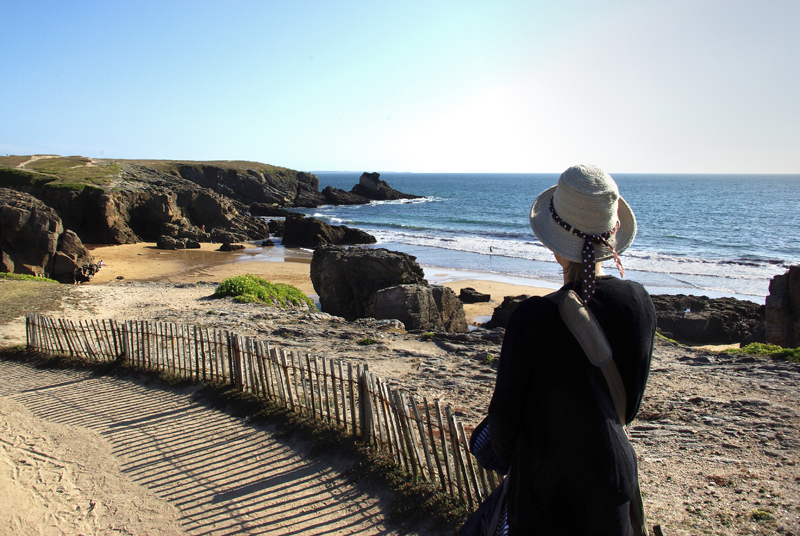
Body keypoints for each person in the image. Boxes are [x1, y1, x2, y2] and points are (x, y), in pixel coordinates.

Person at [487, 164, 656, 535]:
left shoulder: (533, 317)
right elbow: (629, 406)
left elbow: (503, 423)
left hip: (547, 496)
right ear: (612, 234)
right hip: (614, 484)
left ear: (552, 239)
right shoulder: (639, 301)